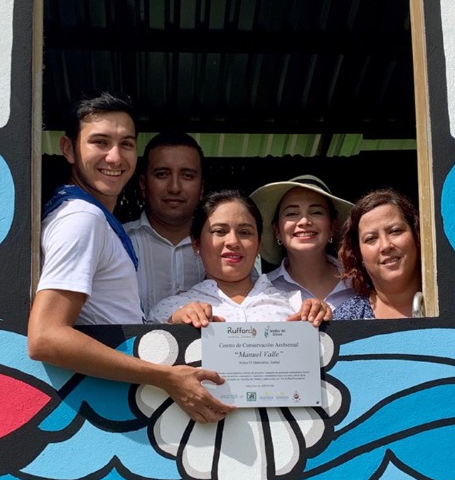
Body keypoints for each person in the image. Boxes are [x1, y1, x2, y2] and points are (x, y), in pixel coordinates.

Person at [27, 93, 232, 424]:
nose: (114, 156)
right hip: (109, 406)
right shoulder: (82, 219)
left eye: (126, 144)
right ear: (68, 148)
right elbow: (46, 337)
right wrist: (162, 376)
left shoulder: (88, 217)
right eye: (100, 142)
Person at [147, 190, 332, 327]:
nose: (233, 242)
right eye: (219, 231)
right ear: (196, 243)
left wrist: (321, 318)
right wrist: (173, 326)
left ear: (258, 244)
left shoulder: (297, 304)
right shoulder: (169, 310)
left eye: (245, 232)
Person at [124, 132, 205, 313]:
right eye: (162, 174)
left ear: (202, 188)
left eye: (187, 176)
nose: (174, 187)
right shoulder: (118, 242)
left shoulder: (222, 246)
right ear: (143, 184)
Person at [250, 174, 357, 310]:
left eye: (316, 212)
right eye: (292, 213)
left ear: (332, 227)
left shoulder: (360, 283)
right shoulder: (261, 290)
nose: (304, 221)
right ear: (277, 230)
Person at [332, 189, 423, 320]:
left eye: (395, 231)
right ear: (358, 254)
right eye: (371, 238)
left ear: (417, 236)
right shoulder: (346, 319)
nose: (386, 245)